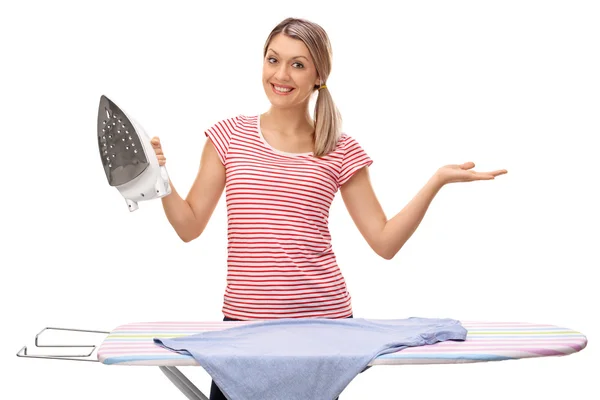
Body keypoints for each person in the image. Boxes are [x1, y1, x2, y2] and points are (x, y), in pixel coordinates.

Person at [151, 17, 507, 400]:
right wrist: (159, 175)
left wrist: (435, 182)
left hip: (323, 325)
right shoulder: (229, 136)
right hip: (244, 326)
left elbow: (384, 242)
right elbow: (188, 227)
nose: (281, 74)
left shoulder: (339, 148)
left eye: (298, 64)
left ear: (319, 74)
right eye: (273, 60)